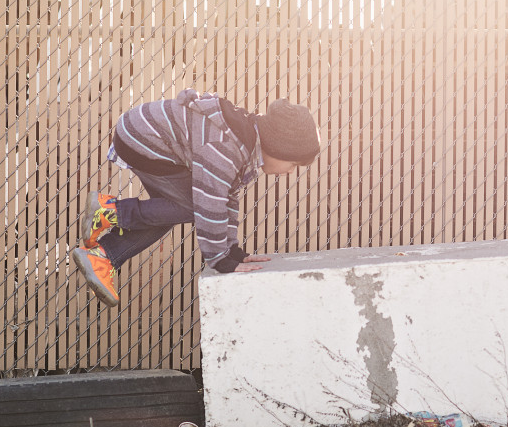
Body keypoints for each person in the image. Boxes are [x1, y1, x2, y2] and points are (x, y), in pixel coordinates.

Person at [72, 88, 321, 306]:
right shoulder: (227, 147)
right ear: (279, 147)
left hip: (148, 138)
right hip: (143, 138)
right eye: (293, 164)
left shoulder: (246, 143)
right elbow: (209, 203)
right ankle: (110, 212)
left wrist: (232, 250)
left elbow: (226, 197)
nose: (290, 172)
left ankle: (101, 256)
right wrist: (220, 260)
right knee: (192, 207)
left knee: (167, 212)